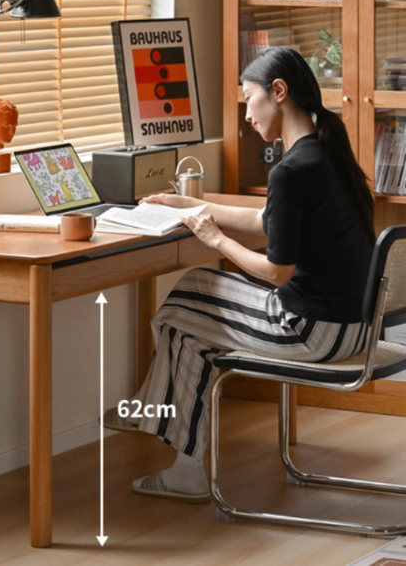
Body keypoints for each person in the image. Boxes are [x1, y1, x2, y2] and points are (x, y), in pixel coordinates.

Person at [103, 46, 376, 503]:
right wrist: (189, 205)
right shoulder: (325, 152)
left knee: (185, 302)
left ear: (279, 92)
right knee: (193, 321)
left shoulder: (291, 170)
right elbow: (264, 222)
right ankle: (167, 435)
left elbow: (276, 270)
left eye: (249, 99)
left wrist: (215, 241)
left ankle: (162, 429)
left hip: (313, 332)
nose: (247, 113)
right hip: (355, 330)